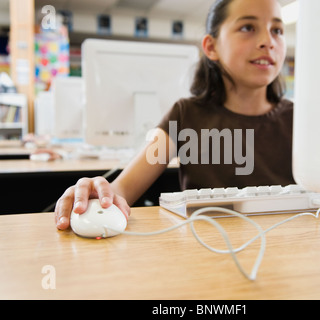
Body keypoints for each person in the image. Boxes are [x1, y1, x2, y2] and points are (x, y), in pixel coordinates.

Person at [55, 0, 294, 230]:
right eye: (247, 28)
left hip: (291, 253)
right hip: (207, 253)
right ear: (211, 47)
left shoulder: (300, 120)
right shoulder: (186, 115)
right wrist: (98, 191)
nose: (268, 41)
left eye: (277, 30)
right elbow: (122, 190)